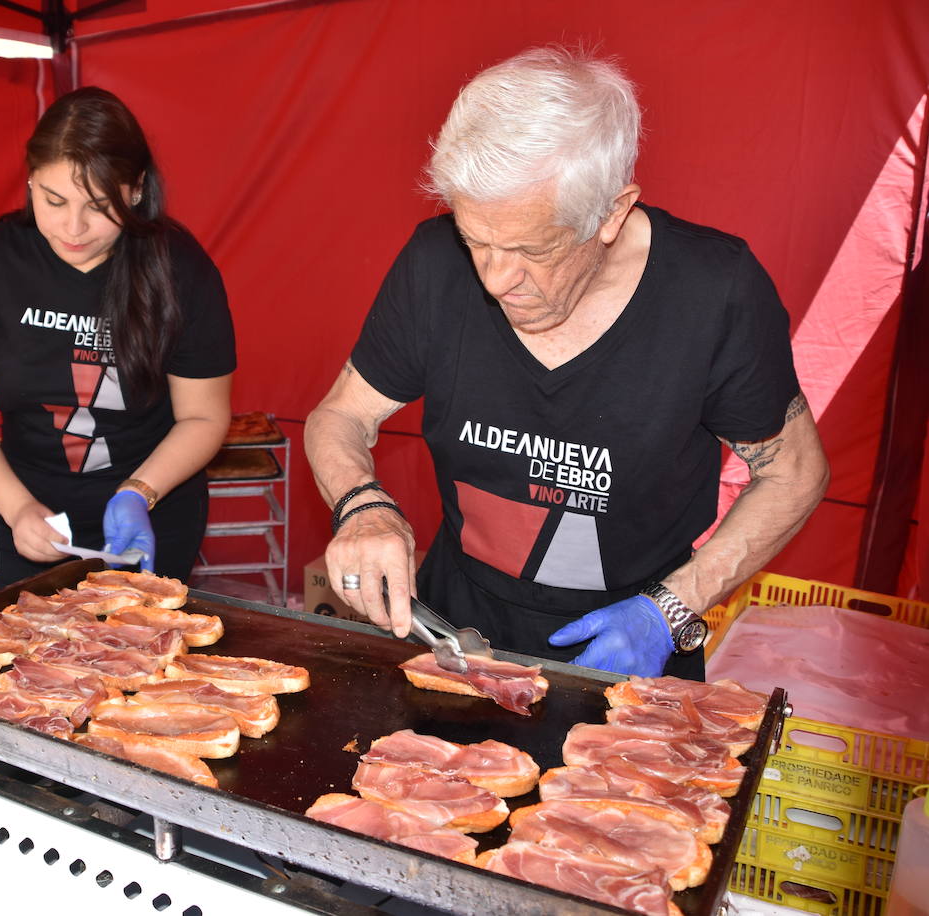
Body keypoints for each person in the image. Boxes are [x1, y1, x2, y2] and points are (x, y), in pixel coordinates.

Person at [304, 47, 828, 680]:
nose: (496, 279)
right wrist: (362, 504)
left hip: (631, 645)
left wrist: (670, 609)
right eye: (476, 240)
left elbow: (793, 473)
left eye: (532, 251)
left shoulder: (714, 293)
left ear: (611, 213)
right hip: (452, 635)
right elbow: (341, 415)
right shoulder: (434, 264)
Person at [0, 87, 235, 587]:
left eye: (99, 205)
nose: (74, 227)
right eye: (54, 200)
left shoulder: (181, 268)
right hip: (33, 513)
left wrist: (139, 492)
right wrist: (17, 506)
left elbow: (204, 416)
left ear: (135, 190)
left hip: (152, 511)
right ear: (30, 181)